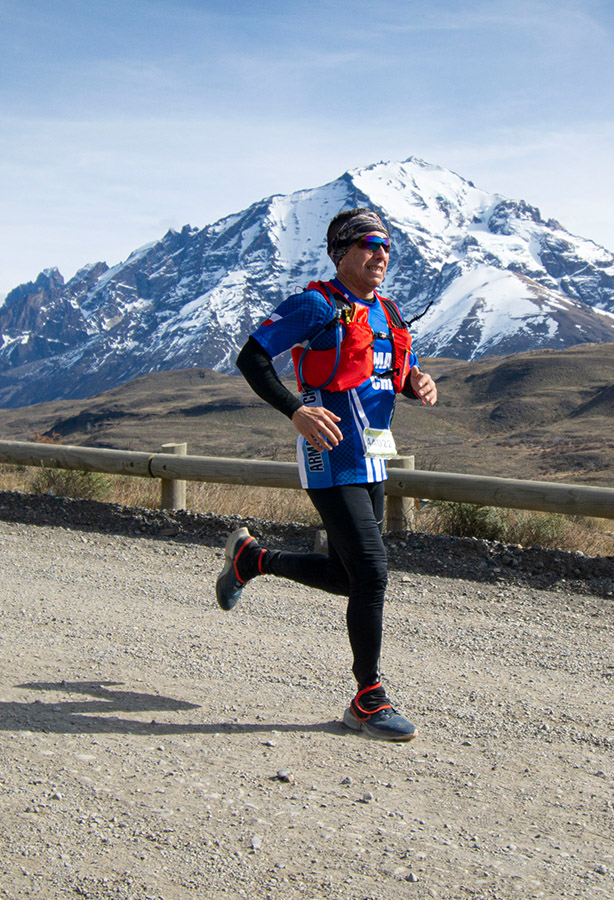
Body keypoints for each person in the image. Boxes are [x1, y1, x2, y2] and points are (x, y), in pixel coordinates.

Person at [215, 208, 438, 742]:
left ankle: (252, 560)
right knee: (373, 572)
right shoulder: (315, 304)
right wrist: (295, 410)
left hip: (373, 458)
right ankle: (368, 699)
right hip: (330, 454)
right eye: (368, 244)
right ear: (341, 253)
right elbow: (252, 359)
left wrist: (416, 383)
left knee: (348, 576)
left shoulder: (387, 311)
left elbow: (384, 373)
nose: (380, 253)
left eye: (386, 246)